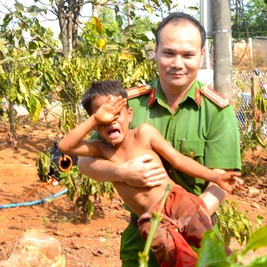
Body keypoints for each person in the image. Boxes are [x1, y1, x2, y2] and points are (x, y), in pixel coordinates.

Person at [77, 12, 241, 266]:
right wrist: (121, 172)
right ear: (155, 52)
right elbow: (85, 163)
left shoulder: (218, 111)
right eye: (168, 53)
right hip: (141, 238)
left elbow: (220, 181)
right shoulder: (126, 105)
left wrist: (182, 223)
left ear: (202, 54)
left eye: (187, 55)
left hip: (197, 235)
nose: (177, 63)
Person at [58, 80, 243, 266]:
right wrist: (95, 119)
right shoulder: (101, 150)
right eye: (103, 118)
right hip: (150, 218)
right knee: (173, 254)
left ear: (130, 115)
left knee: (211, 244)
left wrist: (215, 177)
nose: (110, 120)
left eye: (116, 114)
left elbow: (177, 159)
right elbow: (65, 146)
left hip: (176, 201)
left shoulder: (143, 134)